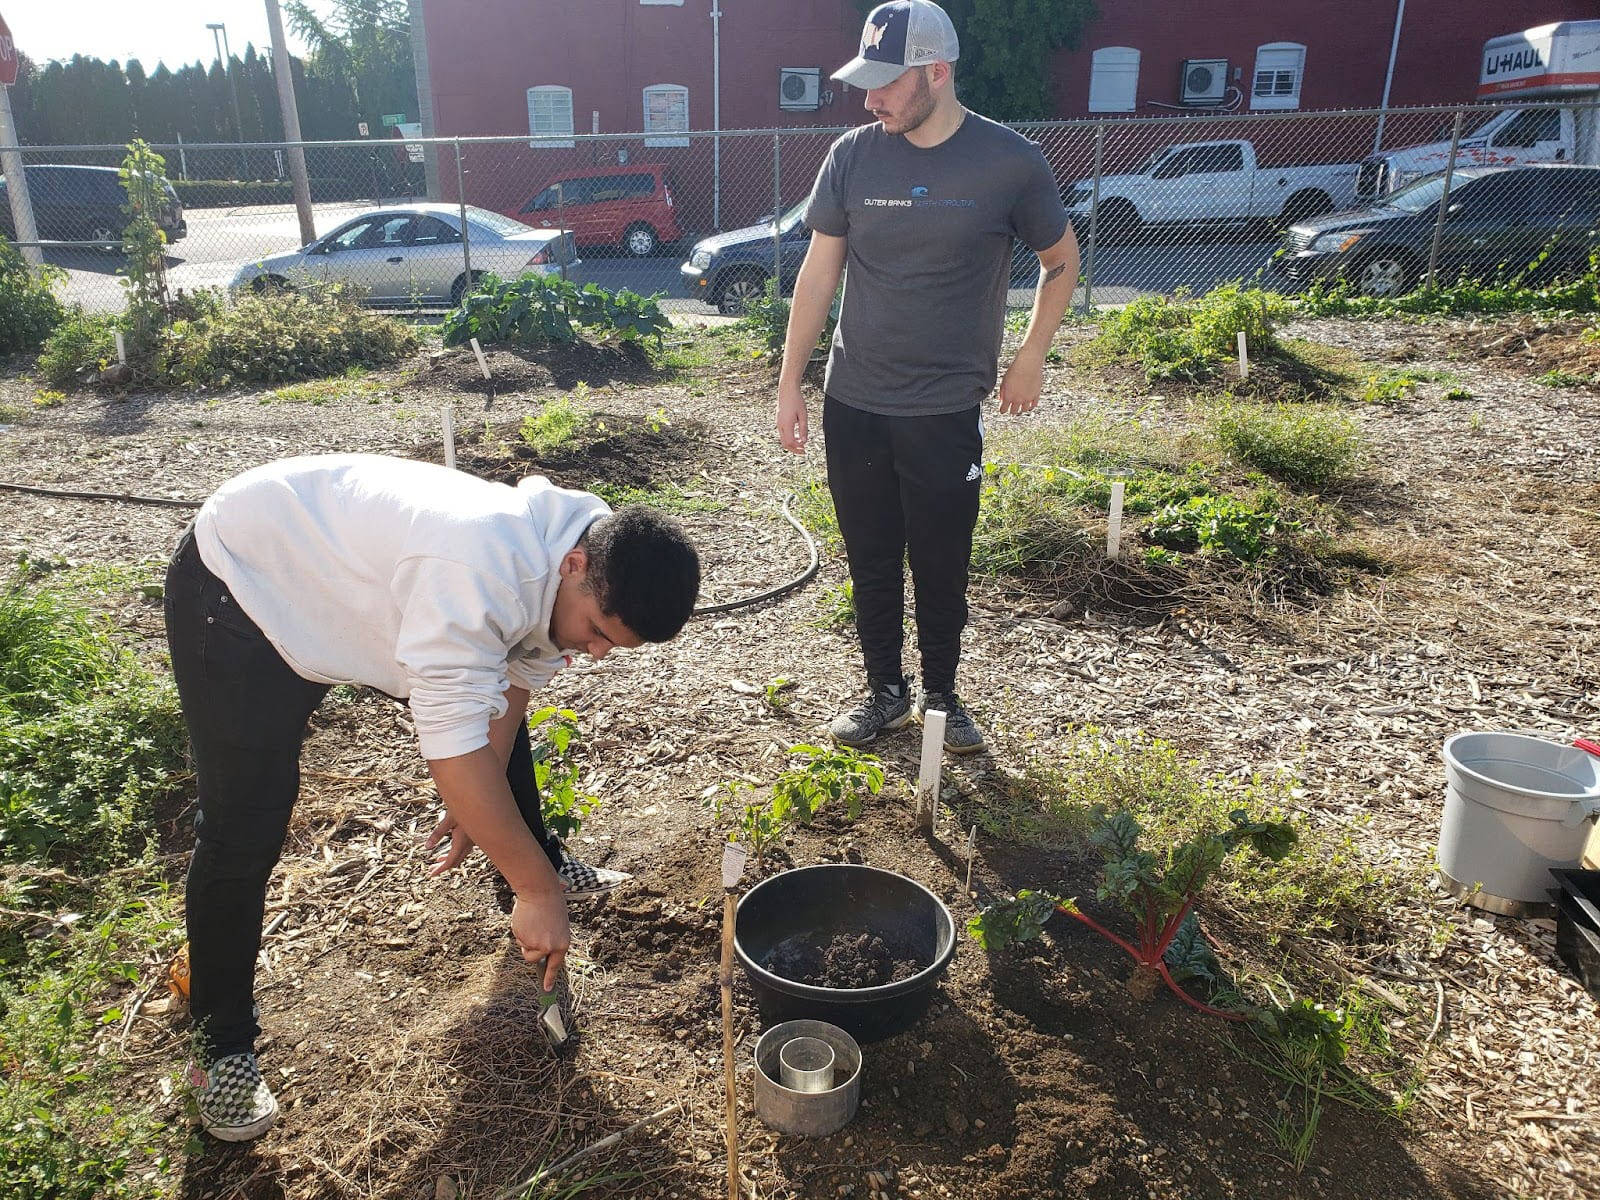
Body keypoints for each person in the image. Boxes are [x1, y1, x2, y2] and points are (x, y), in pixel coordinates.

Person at [163, 453, 700, 1141]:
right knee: (243, 825)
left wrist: (480, 803)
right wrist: (536, 890)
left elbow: (506, 692)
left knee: (488, 762)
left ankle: (534, 866)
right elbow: (450, 746)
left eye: (611, 646)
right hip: (244, 589)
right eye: (596, 630)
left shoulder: (580, 554)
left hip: (348, 585)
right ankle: (220, 1051)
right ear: (573, 566)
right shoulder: (479, 571)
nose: (595, 653)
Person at [775, 0, 1079, 756]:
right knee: (870, 556)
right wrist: (790, 384)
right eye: (865, 84)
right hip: (855, 402)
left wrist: (1032, 352)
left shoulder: (1009, 161)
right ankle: (884, 690)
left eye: (885, 84)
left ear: (935, 74)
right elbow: (818, 275)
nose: (869, 99)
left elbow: (1061, 260)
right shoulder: (852, 155)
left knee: (941, 563)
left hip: (944, 410)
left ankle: (943, 696)